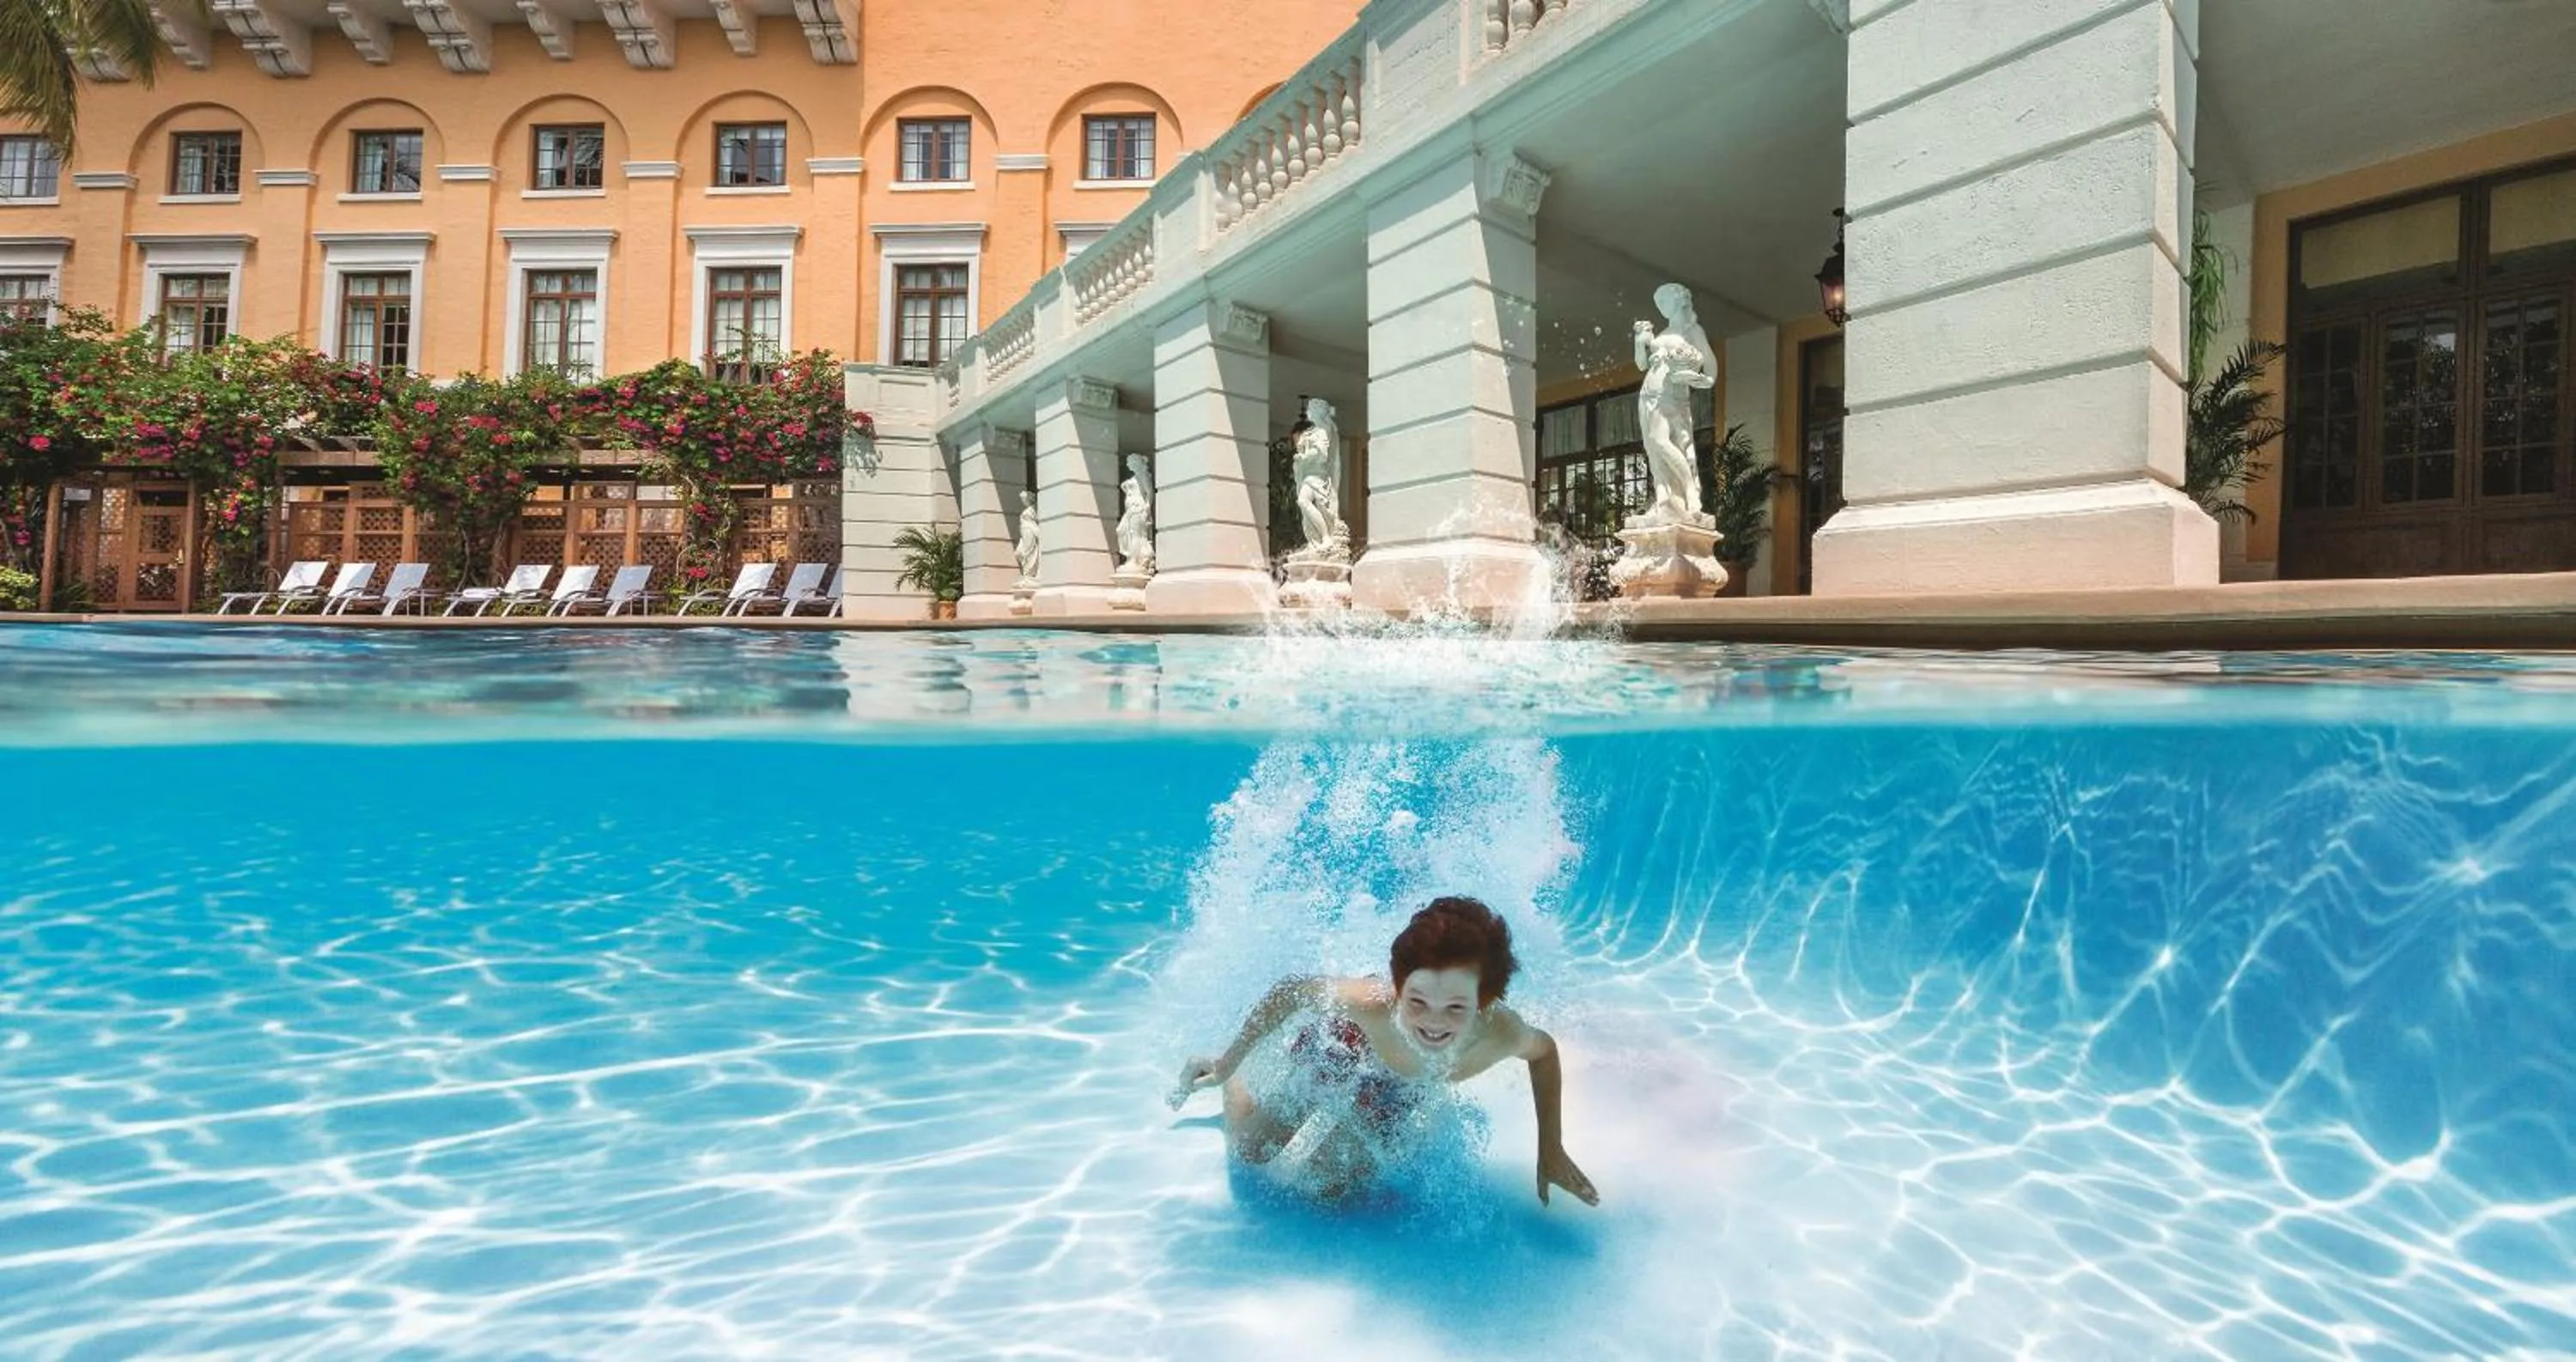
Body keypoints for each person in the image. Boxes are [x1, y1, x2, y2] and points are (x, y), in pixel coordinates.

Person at [1172, 897, 1599, 1207]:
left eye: (1455, 1007)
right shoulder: (1371, 1006)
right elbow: (1290, 992)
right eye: (1417, 1001)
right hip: (1343, 1048)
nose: (1433, 1023)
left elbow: (1543, 1054)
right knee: (1253, 1151)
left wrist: (1551, 1148)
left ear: (1483, 1002)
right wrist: (1230, 1064)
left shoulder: (1501, 1032)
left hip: (1401, 1084)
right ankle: (1227, 1077)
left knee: (1333, 1190)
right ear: (1398, 988)